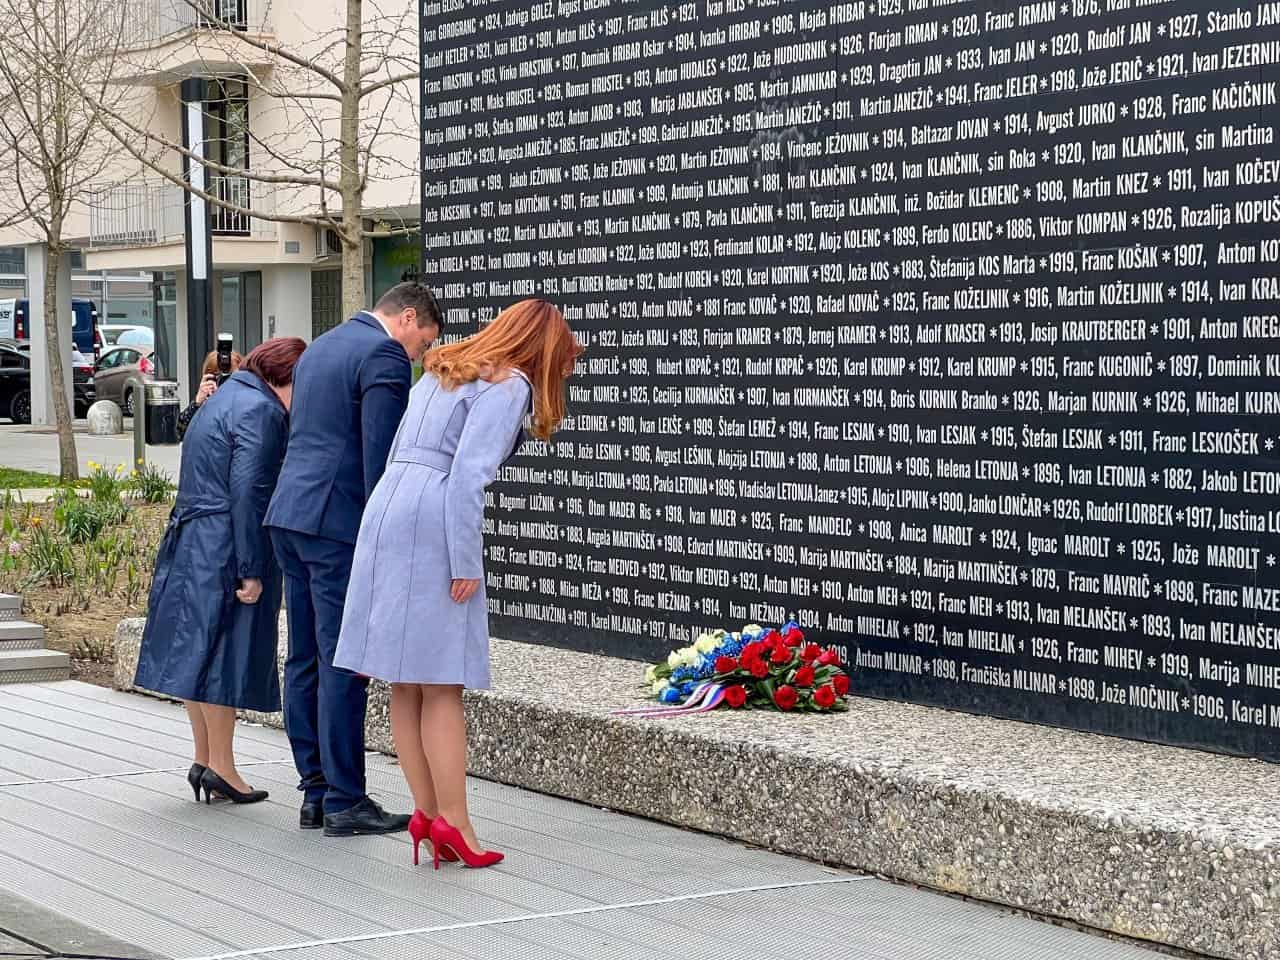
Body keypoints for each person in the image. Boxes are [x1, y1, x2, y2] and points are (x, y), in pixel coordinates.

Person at [335, 299, 581, 869]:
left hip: (388, 509)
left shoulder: (444, 367)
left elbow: (399, 452)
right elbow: (469, 475)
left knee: (403, 679)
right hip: (432, 519)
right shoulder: (510, 383)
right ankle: (457, 824)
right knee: (442, 682)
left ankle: (425, 813)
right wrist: (466, 561)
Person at [265, 282, 443, 836]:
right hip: (339, 524)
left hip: (290, 516)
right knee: (345, 657)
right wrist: (387, 545)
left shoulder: (322, 346)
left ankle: (314, 791)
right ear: (408, 318)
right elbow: (381, 461)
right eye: (423, 345)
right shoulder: (383, 353)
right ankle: (345, 799)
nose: (417, 358)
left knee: (303, 660)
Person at [134, 337, 307, 804]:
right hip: (225, 542)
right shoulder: (263, 411)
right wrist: (252, 568)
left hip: (193, 537)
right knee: (224, 654)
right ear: (283, 378)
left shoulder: (225, 397)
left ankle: (206, 758)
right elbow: (250, 491)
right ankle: (225, 768)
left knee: (198, 650)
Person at [178, 349, 244, 441]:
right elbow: (178, 434)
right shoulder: (204, 409)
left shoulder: (247, 404)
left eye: (230, 377)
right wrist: (197, 403)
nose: (226, 383)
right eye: (220, 377)